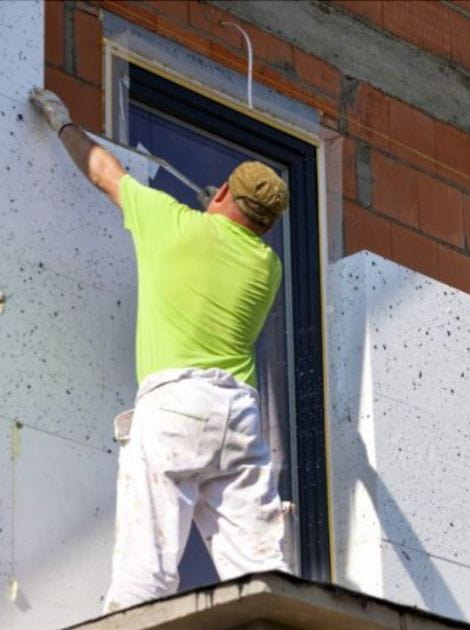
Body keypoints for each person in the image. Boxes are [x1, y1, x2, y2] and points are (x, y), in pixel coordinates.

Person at [29, 88, 291, 612]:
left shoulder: (170, 224)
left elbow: (105, 172)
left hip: (177, 406)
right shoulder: (269, 267)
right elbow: (226, 243)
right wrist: (214, 214)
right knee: (261, 570)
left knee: (144, 570)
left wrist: (63, 122)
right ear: (267, 223)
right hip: (239, 417)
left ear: (223, 194)